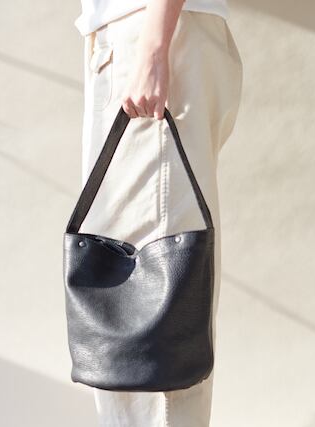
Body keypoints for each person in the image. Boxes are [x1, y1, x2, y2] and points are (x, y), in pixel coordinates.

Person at [74, 0, 243, 425]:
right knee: (157, 315)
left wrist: (152, 47)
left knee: (151, 330)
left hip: (147, 31)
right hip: (144, 34)